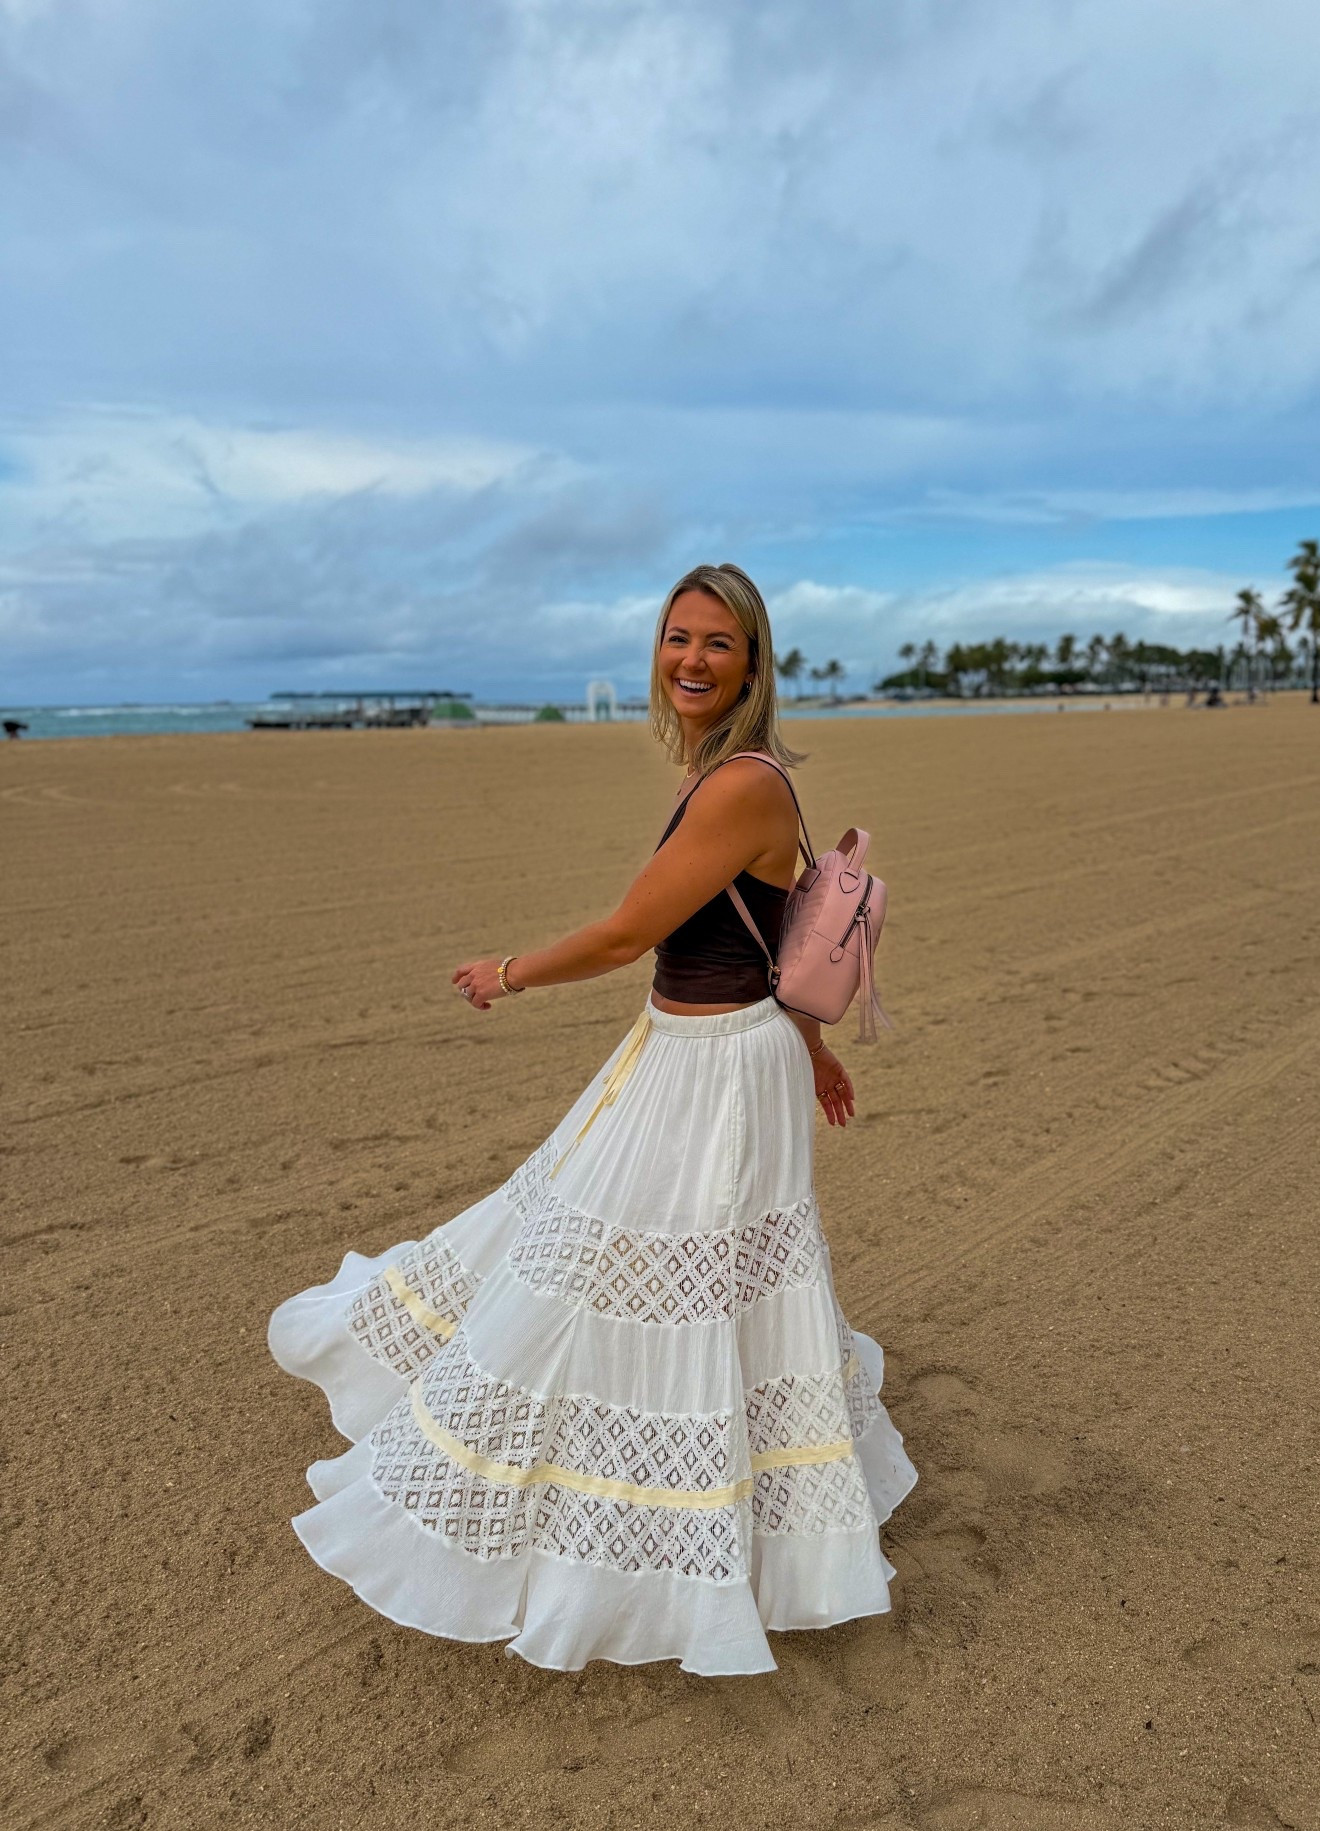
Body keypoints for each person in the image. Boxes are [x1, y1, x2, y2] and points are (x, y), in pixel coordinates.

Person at [268, 563, 916, 1676]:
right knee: (631, 1258)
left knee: (624, 1264)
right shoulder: (727, 774)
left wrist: (507, 970)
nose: (692, 660)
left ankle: (662, 1535)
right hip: (697, 1052)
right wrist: (808, 1048)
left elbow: (627, 934)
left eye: (718, 643)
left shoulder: (741, 785)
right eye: (677, 638)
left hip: (712, 1068)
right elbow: (771, 932)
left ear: (755, 662)